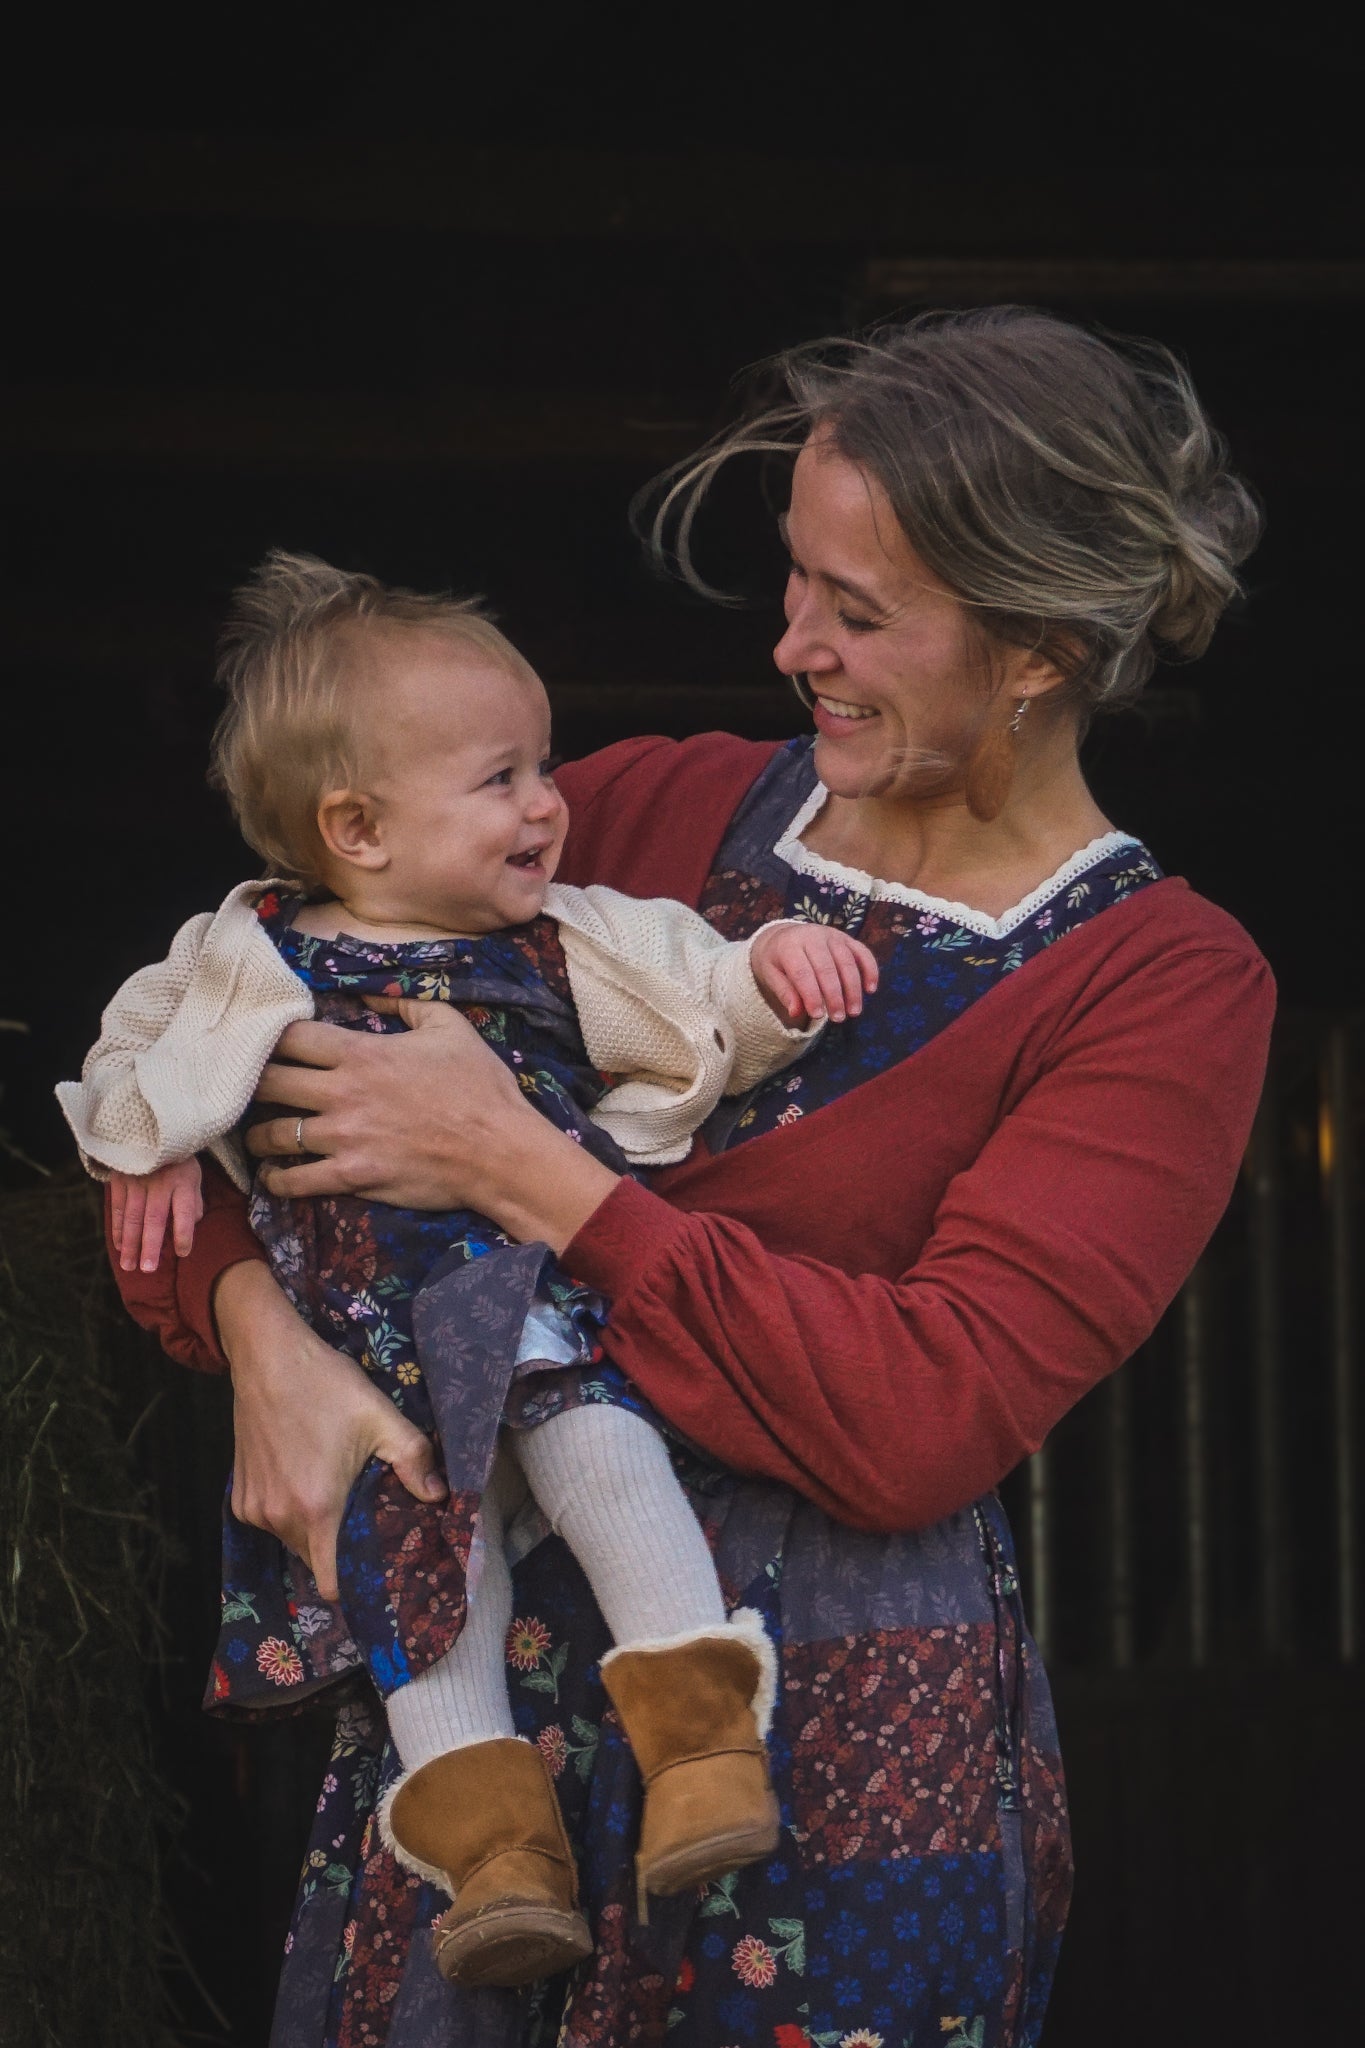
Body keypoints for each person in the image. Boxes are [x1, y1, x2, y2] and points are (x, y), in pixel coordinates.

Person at [109, 308, 1274, 2048]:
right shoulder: (634, 815)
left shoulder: (1157, 982)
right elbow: (235, 1040)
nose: (794, 641)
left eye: (858, 611)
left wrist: (526, 1171)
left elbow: (920, 1415)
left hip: (832, 1747)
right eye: (797, 581)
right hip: (477, 1707)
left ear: (1035, 650)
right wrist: (258, 1336)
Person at [60, 551, 878, 1988]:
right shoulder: (242, 957)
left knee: (602, 1451)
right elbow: (136, 1050)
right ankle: (496, 1856)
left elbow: (699, 978)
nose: (547, 804)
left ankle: (701, 1746)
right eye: (503, 778)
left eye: (544, 766)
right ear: (357, 829)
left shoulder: (570, 938)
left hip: (522, 1305)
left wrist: (777, 970)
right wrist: (153, 1144)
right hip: (359, 1362)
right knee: (415, 1576)